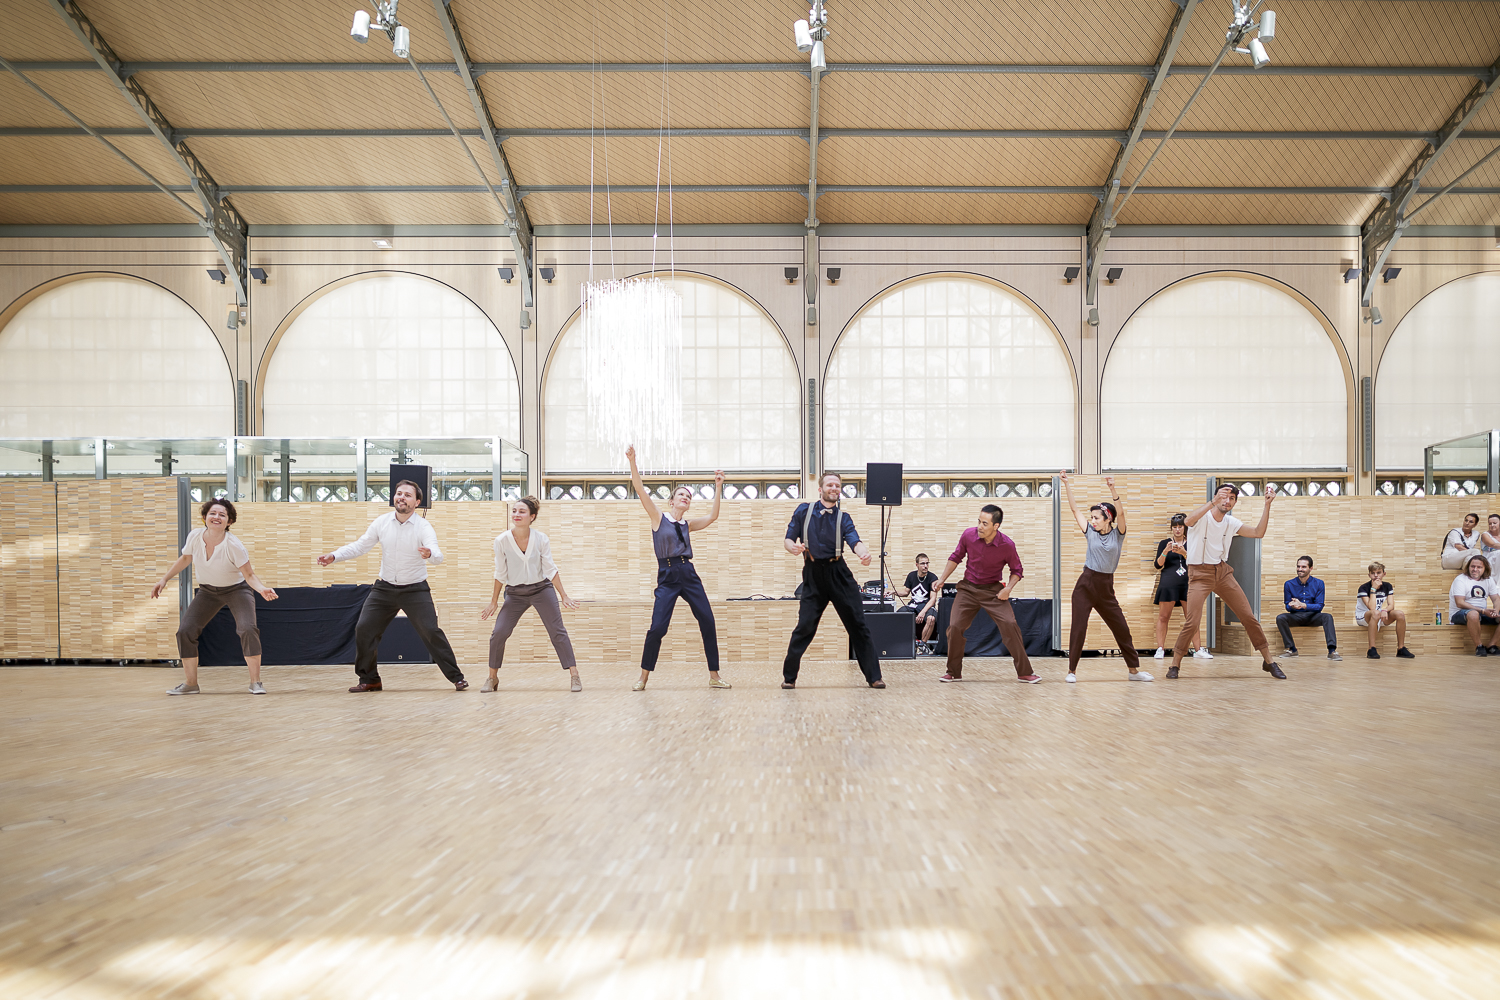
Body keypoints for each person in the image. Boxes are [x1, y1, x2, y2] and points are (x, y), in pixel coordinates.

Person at [318, 479, 467, 692]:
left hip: (415, 589)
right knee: (364, 629)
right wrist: (335, 555)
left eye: (407, 495)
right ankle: (369, 680)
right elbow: (361, 546)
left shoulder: (423, 526)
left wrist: (430, 554)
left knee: (431, 631)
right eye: (399, 493)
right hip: (384, 589)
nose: (401, 498)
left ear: (417, 502)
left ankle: (457, 677)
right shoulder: (382, 522)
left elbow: (437, 554)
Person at [626, 446, 730, 691]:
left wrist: (718, 486)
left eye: (689, 496)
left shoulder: (688, 525)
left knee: (707, 620)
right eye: (681, 494)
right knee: (658, 627)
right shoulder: (658, 518)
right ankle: (643, 677)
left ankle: (714, 676)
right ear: (671, 501)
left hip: (689, 574)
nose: (686, 497)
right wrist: (633, 461)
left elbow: (713, 516)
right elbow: (639, 489)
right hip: (668, 575)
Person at [152, 498, 278, 695]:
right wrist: (164, 579)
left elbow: (249, 575)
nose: (216, 517)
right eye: (212, 513)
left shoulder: (234, 545)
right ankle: (191, 684)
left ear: (229, 522)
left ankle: (256, 682)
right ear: (205, 517)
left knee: (247, 629)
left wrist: (261, 589)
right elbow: (186, 558)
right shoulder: (195, 536)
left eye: (222, 515)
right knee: (185, 631)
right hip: (208, 591)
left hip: (237, 590)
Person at [1168, 484, 1286, 680]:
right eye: (1223, 496)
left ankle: (1269, 661)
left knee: (1248, 616)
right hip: (1199, 573)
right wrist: (1211, 503)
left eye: (1231, 498)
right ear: (1215, 497)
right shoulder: (1202, 517)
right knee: (1192, 621)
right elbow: (1188, 521)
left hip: (1222, 572)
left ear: (1234, 502)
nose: (1227, 501)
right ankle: (1175, 664)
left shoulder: (1231, 522)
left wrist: (1267, 505)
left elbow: (1258, 532)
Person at [782, 472, 884, 689]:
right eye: (830, 485)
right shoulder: (803, 511)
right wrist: (792, 547)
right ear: (820, 489)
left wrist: (863, 554)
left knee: (858, 624)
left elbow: (855, 540)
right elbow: (789, 538)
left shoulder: (843, 518)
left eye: (837, 485)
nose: (834, 488)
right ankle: (789, 678)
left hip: (839, 574)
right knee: (805, 626)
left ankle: (874, 677)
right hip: (812, 574)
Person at [921, 503, 1038, 683]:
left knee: (1009, 623)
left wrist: (1008, 589)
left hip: (992, 590)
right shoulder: (969, 535)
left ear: (996, 526)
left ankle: (1024, 672)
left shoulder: (1007, 545)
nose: (979, 526)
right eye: (979, 521)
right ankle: (953, 672)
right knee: (955, 627)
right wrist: (942, 578)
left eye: (985, 523)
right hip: (968, 589)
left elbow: (1017, 570)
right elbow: (956, 557)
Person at [479, 496, 582, 692]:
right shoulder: (501, 541)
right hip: (515, 593)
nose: (516, 514)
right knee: (498, 633)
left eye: (522, 511)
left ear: (532, 517)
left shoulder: (541, 539)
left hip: (541, 589)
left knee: (557, 631)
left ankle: (574, 675)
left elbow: (550, 569)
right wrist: (493, 602)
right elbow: (500, 573)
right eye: (514, 511)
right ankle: (492, 678)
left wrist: (564, 596)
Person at [1060, 473, 1150, 682]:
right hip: (1086, 584)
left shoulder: (1119, 533)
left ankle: (1133, 671)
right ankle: (1071, 671)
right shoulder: (1089, 532)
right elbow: (1074, 510)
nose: (1092, 521)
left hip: (1106, 588)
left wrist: (1113, 489)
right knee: (1079, 627)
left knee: (1121, 628)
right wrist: (1067, 484)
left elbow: (1122, 513)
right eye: (1091, 517)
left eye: (1096, 517)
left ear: (1108, 518)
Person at [1152, 514, 1208, 660]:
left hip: (1188, 583)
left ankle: (1198, 649)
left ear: (1185, 527)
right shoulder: (1165, 543)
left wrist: (1183, 552)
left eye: (1180, 526)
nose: (1177, 530)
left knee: (1192, 618)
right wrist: (1166, 551)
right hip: (1168, 583)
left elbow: (1198, 563)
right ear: (1171, 528)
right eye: (1175, 527)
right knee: (1164, 616)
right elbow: (1158, 565)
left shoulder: (1193, 542)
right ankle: (1160, 649)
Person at [1276, 555, 1342, 661]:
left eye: (1303, 567)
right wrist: (1293, 606)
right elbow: (1287, 606)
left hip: (1313, 616)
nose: (1300, 569)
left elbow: (1319, 606)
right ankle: (1292, 649)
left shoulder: (1319, 583)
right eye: (1298, 566)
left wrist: (1304, 605)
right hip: (1296, 616)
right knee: (1280, 618)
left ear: (1310, 568)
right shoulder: (1289, 584)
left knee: (1327, 617)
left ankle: (1332, 651)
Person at [1356, 561, 1412, 659]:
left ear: (1384, 574)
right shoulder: (1363, 588)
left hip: (1378, 615)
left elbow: (1391, 605)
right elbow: (1371, 607)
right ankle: (1371, 649)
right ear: (1369, 575)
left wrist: (1385, 610)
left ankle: (1401, 648)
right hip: (1363, 616)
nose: (1376, 576)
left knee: (1400, 614)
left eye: (1378, 573)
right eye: (1373, 573)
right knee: (1376, 612)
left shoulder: (1387, 586)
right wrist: (1373, 589)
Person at [1449, 553, 1500, 657]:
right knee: (1473, 614)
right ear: (1468, 567)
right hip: (1459, 614)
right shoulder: (1461, 579)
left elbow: (1496, 599)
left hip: (1481, 613)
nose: (1475, 569)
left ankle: (1492, 645)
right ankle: (1479, 646)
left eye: (1479, 567)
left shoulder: (1488, 579)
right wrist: (1482, 611)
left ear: (1484, 568)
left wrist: (1496, 610)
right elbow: (1460, 603)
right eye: (1472, 566)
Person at [894, 553, 940, 652]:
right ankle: (911, 642)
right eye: (923, 563)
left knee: (931, 618)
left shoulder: (933, 578)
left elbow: (932, 599)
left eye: (927, 563)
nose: (925, 566)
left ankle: (922, 645)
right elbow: (906, 592)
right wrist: (893, 592)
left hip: (926, 605)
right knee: (898, 616)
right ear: (917, 565)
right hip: (913, 604)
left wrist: (923, 612)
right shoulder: (911, 575)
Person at [1480, 514, 1500, 578]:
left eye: (1494, 523)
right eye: (1490, 523)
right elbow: (1493, 545)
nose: (1492, 525)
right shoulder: (1485, 535)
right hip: (1489, 558)